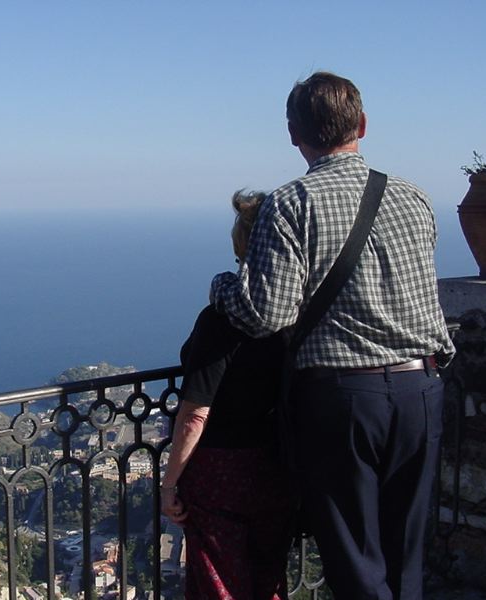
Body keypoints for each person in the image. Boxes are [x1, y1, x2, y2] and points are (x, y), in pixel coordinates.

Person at [210, 72, 454, 600]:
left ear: (293, 133)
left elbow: (266, 315)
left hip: (343, 398)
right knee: (406, 555)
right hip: (421, 386)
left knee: (355, 558)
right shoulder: (414, 197)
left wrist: (222, 286)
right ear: (362, 124)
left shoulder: (290, 203)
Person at [160, 191, 293, 600]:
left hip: (221, 474)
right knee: (268, 577)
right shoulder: (301, 317)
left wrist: (169, 485)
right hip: (278, 465)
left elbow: (195, 415)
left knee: (220, 583)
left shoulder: (221, 319)